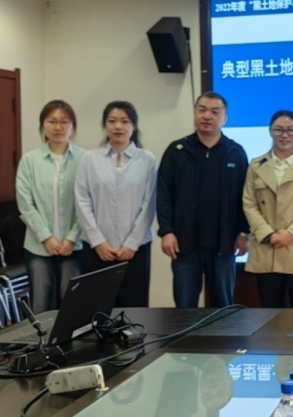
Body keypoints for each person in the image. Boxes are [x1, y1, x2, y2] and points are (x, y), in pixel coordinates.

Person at [157, 91, 249, 308]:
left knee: (223, 308)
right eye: (202, 110)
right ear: (194, 114)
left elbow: (246, 198)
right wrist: (166, 231)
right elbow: (163, 194)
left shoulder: (235, 152)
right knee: (185, 308)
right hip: (184, 244)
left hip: (224, 244)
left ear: (225, 118)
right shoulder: (177, 151)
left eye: (215, 112)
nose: (207, 116)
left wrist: (244, 232)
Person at [75, 101, 157, 307]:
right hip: (97, 248)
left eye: (124, 121)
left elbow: (150, 203)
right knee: (97, 307)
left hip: (136, 249)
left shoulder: (146, 159)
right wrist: (98, 242)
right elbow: (82, 200)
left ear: (134, 126)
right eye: (112, 121)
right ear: (105, 125)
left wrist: (132, 244)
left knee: (134, 308)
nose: (118, 126)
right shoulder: (90, 159)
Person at [242, 111, 293, 308]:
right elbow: (249, 203)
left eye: (290, 130)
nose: (284, 135)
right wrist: (267, 233)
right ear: (270, 131)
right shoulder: (256, 165)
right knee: (270, 315)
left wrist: (291, 233)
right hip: (267, 246)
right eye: (279, 130)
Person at [15, 100, 85, 314]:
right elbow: (25, 204)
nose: (58, 127)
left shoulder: (85, 159)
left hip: (74, 246)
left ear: (73, 126)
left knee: (72, 304)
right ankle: (43, 338)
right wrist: (46, 237)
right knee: (41, 304)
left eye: (64, 122)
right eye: (52, 121)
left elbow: (88, 203)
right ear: (43, 125)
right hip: (38, 246)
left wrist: (71, 237)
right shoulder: (29, 160)